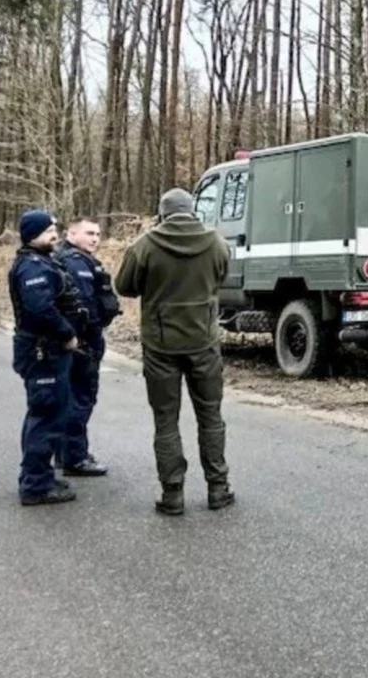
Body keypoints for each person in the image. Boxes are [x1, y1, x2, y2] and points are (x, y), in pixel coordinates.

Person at [115, 188, 234, 515]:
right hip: (204, 342)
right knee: (210, 415)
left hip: (160, 344)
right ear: (193, 210)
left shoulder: (145, 245)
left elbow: (124, 285)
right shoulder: (217, 243)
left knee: (165, 419)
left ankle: (172, 495)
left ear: (163, 213)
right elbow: (222, 276)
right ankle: (218, 488)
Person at [8, 209, 88, 506]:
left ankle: (39, 476)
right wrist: (67, 333)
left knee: (47, 413)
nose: (54, 234)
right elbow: (40, 309)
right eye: (48, 230)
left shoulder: (42, 261)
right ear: (33, 234)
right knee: (45, 416)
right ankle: (36, 486)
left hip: (47, 351)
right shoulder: (31, 267)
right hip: (43, 352)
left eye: (55, 228)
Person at [54, 217, 122, 477]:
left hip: (78, 340)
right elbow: (82, 308)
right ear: (71, 234)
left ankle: (66, 452)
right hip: (83, 341)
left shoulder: (71, 259)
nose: (95, 238)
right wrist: (88, 337)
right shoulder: (75, 263)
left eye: (98, 234)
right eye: (89, 233)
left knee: (72, 397)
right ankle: (75, 457)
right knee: (81, 398)